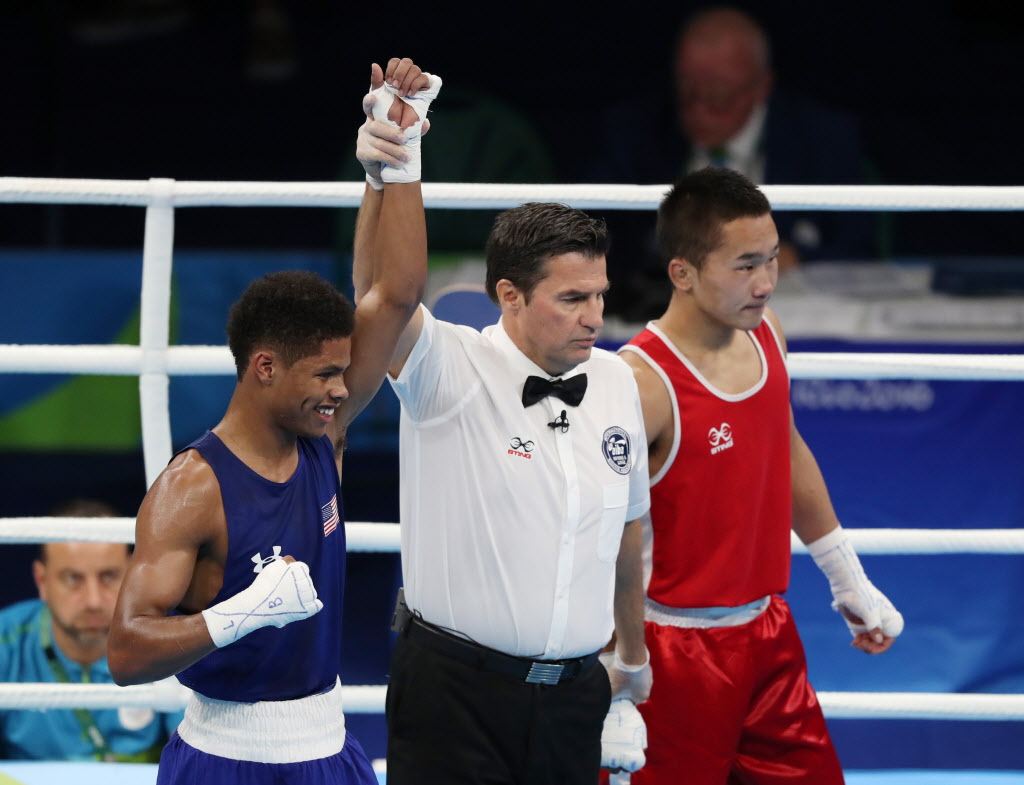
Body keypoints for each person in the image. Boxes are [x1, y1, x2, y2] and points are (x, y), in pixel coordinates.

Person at [106, 57, 440, 785]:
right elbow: (126, 652)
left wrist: (396, 157)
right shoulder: (190, 488)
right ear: (264, 367)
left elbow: (396, 292)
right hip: (222, 757)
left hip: (325, 747)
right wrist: (239, 613)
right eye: (323, 375)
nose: (340, 390)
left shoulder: (325, 435)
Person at [358, 165, 654, 780]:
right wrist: (390, 174)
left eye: (599, 294)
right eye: (572, 298)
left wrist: (631, 658)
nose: (595, 317)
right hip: (453, 698)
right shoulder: (449, 367)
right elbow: (379, 298)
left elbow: (627, 531)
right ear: (509, 295)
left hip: (575, 699)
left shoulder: (618, 381)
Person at [618, 166, 904, 784]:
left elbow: (786, 448)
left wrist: (847, 577)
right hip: (674, 654)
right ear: (683, 273)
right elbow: (596, 529)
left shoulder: (767, 334)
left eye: (772, 259)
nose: (767, 282)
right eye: (745, 265)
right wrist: (620, 661)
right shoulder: (641, 385)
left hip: (769, 633)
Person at [589, 7, 875, 319]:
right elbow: (599, 239)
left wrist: (800, 257)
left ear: (762, 87)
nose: (699, 110)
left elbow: (862, 250)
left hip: (788, 321)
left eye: (719, 97)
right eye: (688, 92)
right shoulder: (634, 131)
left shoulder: (824, 138)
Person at [0, 499, 182, 761]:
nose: (93, 601)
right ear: (42, 581)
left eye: (108, 576)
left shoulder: (168, 639)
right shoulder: (6, 640)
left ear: (131, 574)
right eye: (73, 579)